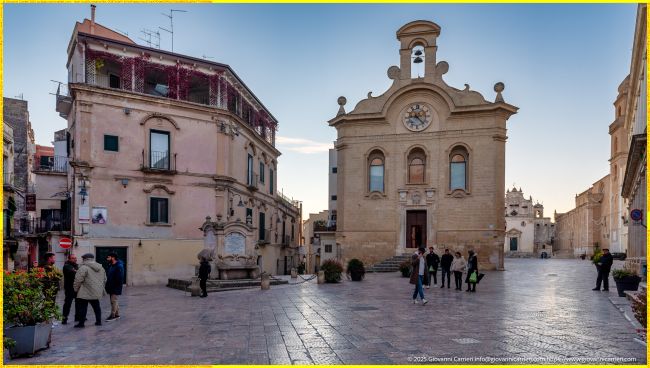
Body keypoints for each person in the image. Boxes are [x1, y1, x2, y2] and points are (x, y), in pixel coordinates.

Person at [73, 253, 106, 328]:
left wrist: (75, 289)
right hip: (96, 291)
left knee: (83, 307)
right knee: (97, 307)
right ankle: (98, 321)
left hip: (85, 291)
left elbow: (78, 280)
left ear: (85, 259)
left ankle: (81, 323)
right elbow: (105, 279)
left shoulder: (83, 267)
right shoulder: (101, 267)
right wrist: (99, 287)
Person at [105, 252, 124, 321]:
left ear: (113, 258)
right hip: (111, 286)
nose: (107, 258)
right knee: (113, 301)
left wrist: (115, 286)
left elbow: (120, 278)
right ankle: (117, 314)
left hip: (115, 287)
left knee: (114, 301)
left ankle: (112, 315)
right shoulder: (112, 265)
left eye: (108, 257)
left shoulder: (119, 266)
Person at [61, 254, 79, 325]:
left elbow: (78, 273)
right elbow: (74, 274)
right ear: (69, 259)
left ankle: (78, 317)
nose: (75, 259)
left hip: (77, 287)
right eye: (73, 258)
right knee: (67, 304)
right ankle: (64, 318)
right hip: (69, 288)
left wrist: (76, 271)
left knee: (78, 302)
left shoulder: (76, 266)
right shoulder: (66, 266)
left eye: (75, 258)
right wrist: (76, 271)